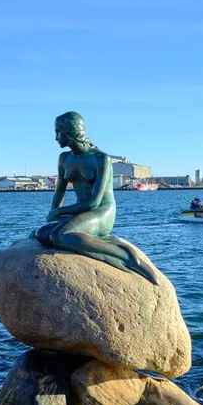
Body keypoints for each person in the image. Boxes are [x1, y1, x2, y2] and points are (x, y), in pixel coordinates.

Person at [33, 111, 159, 284]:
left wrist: (61, 211)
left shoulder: (101, 159)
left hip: (101, 211)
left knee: (58, 236)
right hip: (80, 212)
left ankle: (126, 255)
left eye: (58, 131)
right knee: (42, 233)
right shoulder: (64, 158)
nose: (56, 137)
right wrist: (53, 213)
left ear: (70, 132)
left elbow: (94, 202)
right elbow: (59, 191)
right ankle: (88, 240)